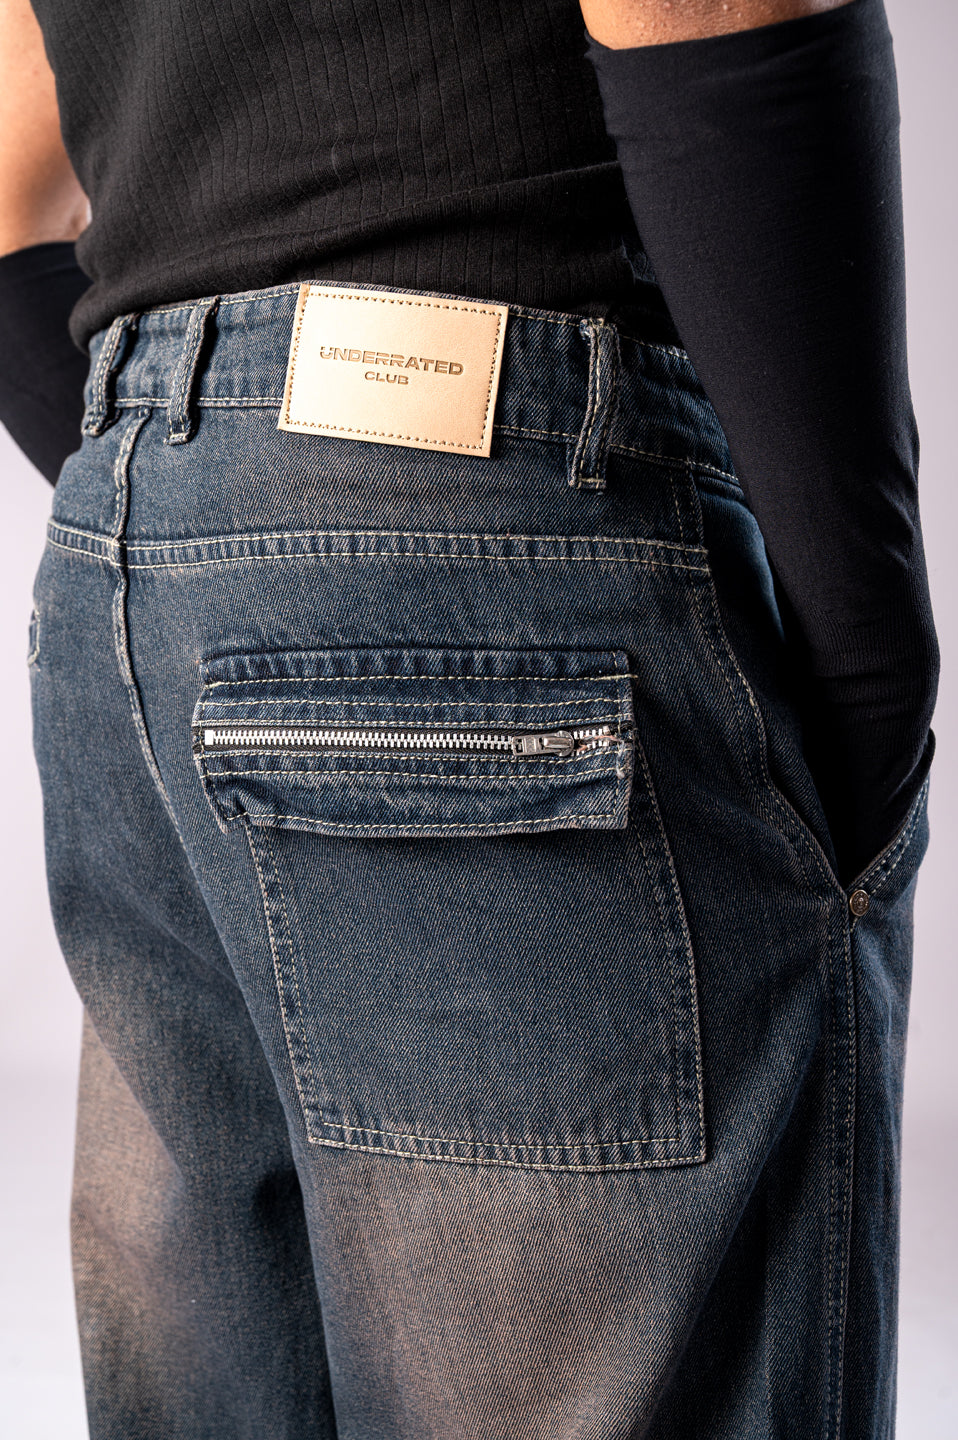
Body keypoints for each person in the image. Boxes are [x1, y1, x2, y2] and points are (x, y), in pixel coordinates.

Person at [0, 0, 938, 1435]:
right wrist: (865, 657)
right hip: (501, 517)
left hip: (134, 552)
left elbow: (11, 145)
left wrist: (226, 511)